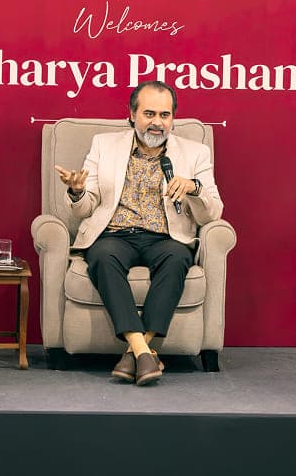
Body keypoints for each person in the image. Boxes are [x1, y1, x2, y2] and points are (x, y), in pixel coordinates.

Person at [54, 81, 223, 385]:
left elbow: (213, 212)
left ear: (173, 118)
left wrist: (194, 188)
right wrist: (77, 191)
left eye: (165, 115)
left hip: (166, 238)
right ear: (132, 115)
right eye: (149, 113)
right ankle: (144, 350)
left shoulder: (195, 152)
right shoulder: (104, 145)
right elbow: (84, 208)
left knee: (176, 260)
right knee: (103, 257)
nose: (158, 122)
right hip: (115, 235)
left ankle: (136, 352)